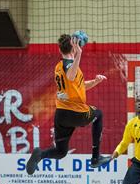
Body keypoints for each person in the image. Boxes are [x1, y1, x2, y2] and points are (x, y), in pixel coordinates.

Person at [26, 34, 111, 175]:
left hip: (61, 115)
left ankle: (39, 155)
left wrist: (95, 82)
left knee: (60, 152)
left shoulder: (58, 67)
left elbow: (78, 85)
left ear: (60, 50)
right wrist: (79, 54)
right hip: (76, 112)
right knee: (98, 114)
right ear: (74, 48)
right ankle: (95, 158)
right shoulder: (69, 65)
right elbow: (71, 75)